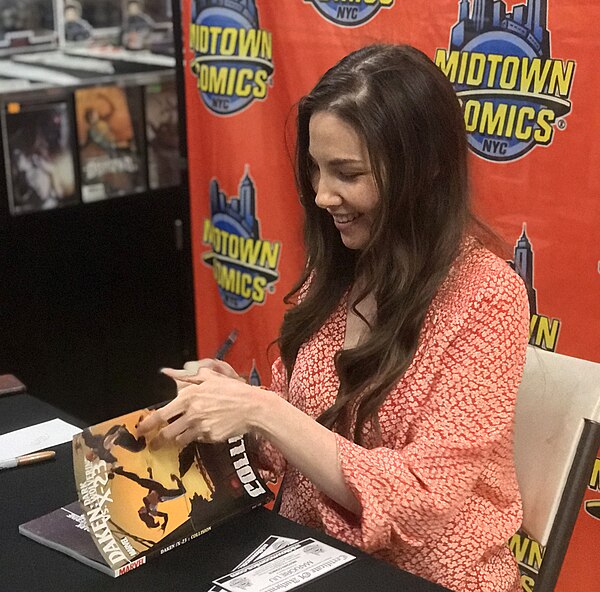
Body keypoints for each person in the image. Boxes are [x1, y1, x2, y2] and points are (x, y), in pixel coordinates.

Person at [138, 44, 530, 592]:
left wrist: (264, 410)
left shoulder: (488, 299)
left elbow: (423, 500)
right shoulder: (338, 274)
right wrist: (235, 411)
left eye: (347, 173)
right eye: (316, 169)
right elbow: (287, 453)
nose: (322, 195)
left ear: (427, 169)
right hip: (307, 563)